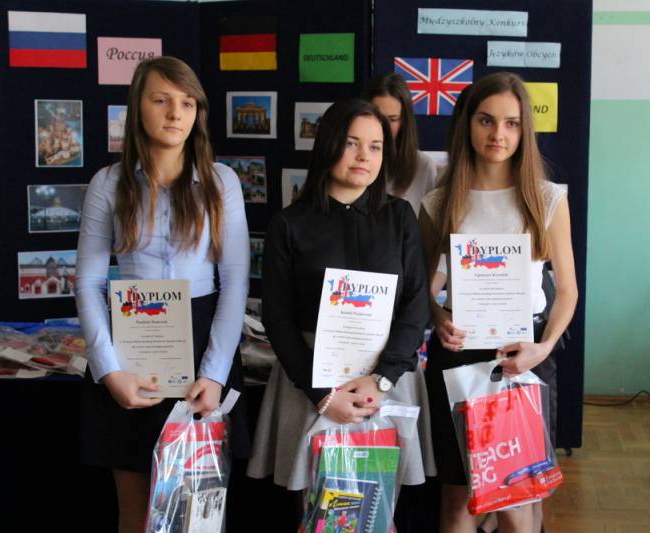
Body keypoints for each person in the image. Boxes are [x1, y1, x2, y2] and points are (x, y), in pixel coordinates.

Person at [75, 56, 251, 533]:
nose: (176, 113)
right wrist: (109, 370)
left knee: (199, 510)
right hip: (132, 346)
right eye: (161, 100)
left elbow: (235, 281)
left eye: (187, 103)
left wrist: (214, 374)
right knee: (136, 513)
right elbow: (89, 282)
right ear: (138, 107)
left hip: (204, 343)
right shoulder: (108, 183)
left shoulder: (221, 181)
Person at [246, 98, 435, 519]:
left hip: (386, 379)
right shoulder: (290, 223)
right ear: (328, 144)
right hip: (311, 384)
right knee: (321, 515)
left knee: (377, 513)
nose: (364, 156)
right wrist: (322, 396)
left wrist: (383, 379)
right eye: (351, 143)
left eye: (375, 146)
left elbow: (416, 303)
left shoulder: (400, 216)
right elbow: (277, 318)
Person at [418, 72, 578, 533]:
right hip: (458, 354)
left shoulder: (546, 199)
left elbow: (567, 291)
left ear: (525, 129)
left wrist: (543, 348)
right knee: (457, 501)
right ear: (468, 124)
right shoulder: (440, 201)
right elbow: (425, 286)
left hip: (522, 355)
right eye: (486, 120)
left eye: (511, 123)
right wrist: (437, 317)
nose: (498, 134)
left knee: (517, 503)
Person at [361, 72, 438, 216]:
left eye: (392, 119)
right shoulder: (351, 160)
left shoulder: (423, 165)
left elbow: (428, 225)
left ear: (404, 121)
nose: (383, 127)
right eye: (377, 117)